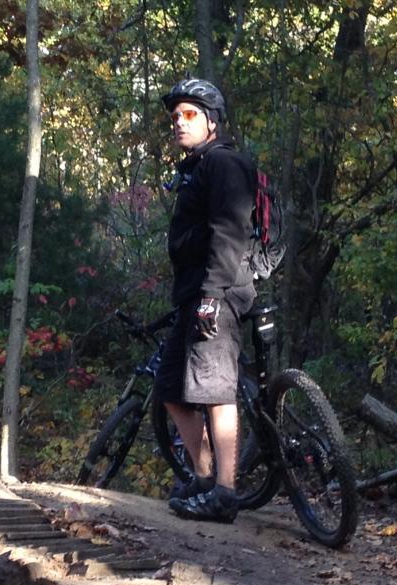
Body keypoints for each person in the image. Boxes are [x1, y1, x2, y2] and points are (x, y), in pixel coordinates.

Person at [155, 77, 256, 524]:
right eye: (175, 115)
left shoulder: (223, 164)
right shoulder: (195, 167)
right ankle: (204, 477)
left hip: (218, 292)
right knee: (171, 388)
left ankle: (225, 494)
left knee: (216, 390)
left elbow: (230, 233)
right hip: (193, 294)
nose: (179, 122)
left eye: (190, 114)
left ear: (212, 120)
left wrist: (212, 297)